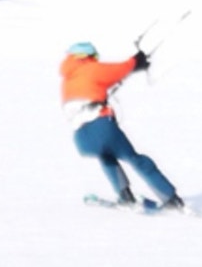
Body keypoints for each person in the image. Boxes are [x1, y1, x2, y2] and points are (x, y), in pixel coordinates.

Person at [60, 42, 185, 210]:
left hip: (82, 135)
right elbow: (118, 70)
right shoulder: (90, 68)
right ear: (87, 56)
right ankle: (171, 198)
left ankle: (124, 196)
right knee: (135, 159)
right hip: (101, 127)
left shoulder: (69, 77)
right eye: (95, 57)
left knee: (106, 156)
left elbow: (94, 86)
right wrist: (137, 60)